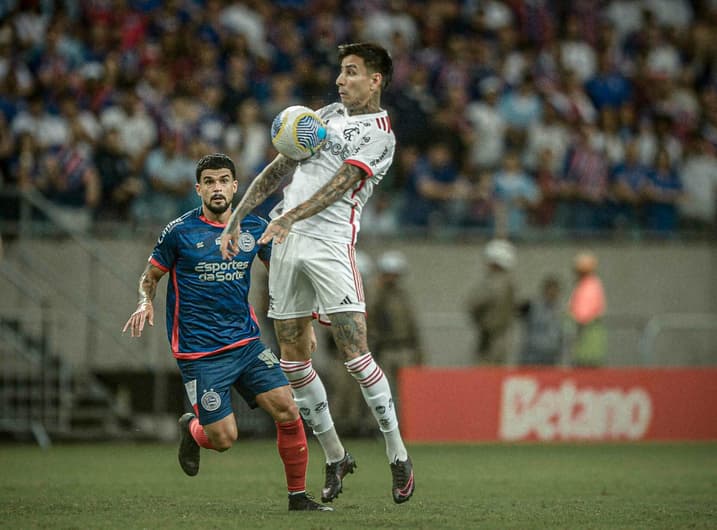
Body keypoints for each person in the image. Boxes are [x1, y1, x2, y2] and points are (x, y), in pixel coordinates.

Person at [220, 42, 415, 505]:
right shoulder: (324, 113)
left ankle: (397, 453)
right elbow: (280, 166)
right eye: (339, 72)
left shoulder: (381, 134)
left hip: (329, 246)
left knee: (354, 351)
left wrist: (292, 216)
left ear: (375, 80)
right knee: (292, 357)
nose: (340, 80)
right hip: (287, 245)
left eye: (350, 72)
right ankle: (334, 454)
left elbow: (342, 183)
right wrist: (236, 215)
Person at [122, 153, 332, 512]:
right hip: (200, 354)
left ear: (236, 186)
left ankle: (298, 497)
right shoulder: (179, 232)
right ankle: (193, 429)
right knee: (223, 439)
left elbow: (284, 274)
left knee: (287, 409)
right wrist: (145, 301)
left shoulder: (253, 227)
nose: (217, 188)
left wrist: (306, 319)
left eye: (223, 181)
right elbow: (150, 276)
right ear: (198, 188)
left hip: (247, 344)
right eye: (209, 182)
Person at [367, 250, 424, 400]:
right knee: (382, 391)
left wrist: (418, 351)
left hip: (405, 348)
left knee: (407, 392)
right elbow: (370, 314)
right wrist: (379, 289)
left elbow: (411, 324)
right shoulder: (375, 294)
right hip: (385, 349)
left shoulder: (402, 295)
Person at [467, 239, 517, 365]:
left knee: (486, 375)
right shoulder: (510, 283)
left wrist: (479, 320)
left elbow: (472, 304)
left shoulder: (493, 282)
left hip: (489, 338)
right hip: (502, 336)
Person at [567, 251, 607, 367]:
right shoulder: (590, 284)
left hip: (587, 339)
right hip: (586, 338)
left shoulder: (589, 286)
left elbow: (582, 316)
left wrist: (569, 316)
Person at [519, 275, 564, 366]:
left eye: (555, 290)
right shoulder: (533, 306)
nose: (552, 293)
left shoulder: (560, 311)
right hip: (532, 355)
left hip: (551, 356)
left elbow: (562, 334)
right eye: (550, 290)